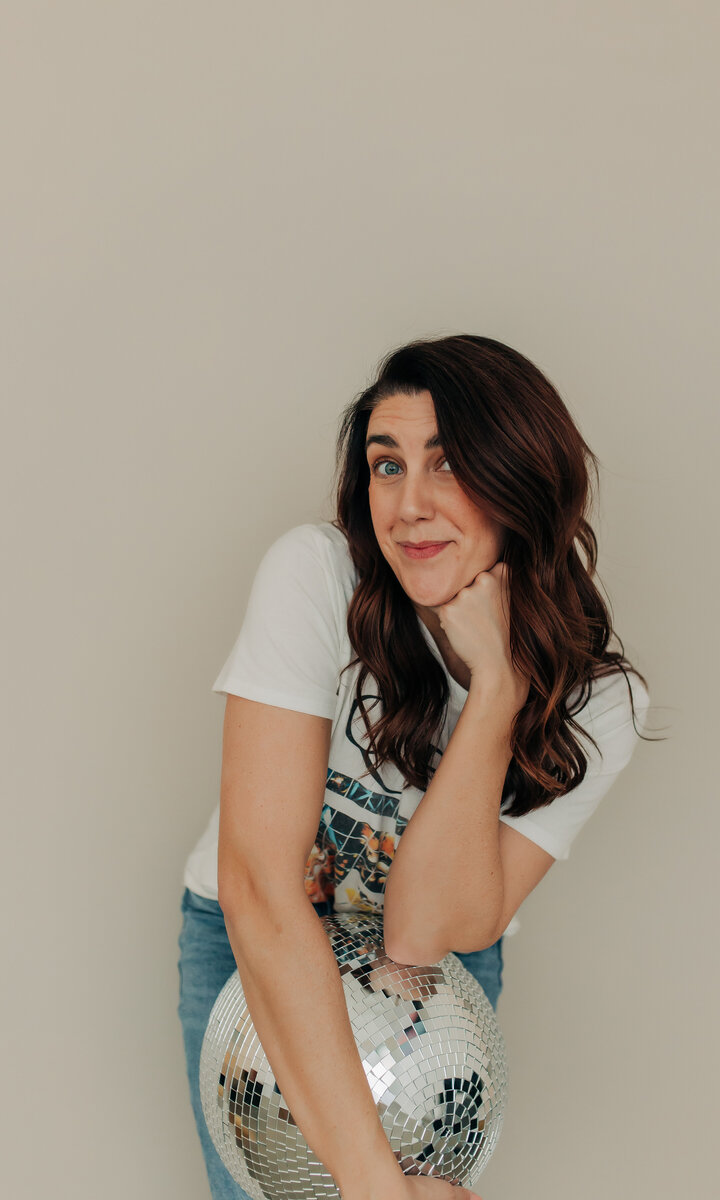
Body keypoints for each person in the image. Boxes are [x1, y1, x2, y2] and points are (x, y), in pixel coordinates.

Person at [176, 334, 651, 1200]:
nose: (407, 506)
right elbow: (259, 887)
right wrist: (371, 1185)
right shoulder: (317, 575)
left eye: (449, 465)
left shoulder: (600, 705)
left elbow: (419, 935)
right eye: (386, 467)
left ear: (521, 479)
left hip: (436, 982)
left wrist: (499, 690)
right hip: (266, 934)